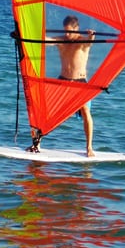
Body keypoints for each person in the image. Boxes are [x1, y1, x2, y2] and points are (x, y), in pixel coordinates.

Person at [47, 15, 96, 157]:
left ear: (77, 29)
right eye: (65, 31)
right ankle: (37, 142)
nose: (67, 34)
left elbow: (89, 43)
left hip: (80, 82)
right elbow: (46, 41)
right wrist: (28, 35)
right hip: (63, 80)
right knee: (48, 110)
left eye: (70, 31)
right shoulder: (61, 40)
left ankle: (89, 148)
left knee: (86, 111)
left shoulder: (82, 42)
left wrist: (91, 36)